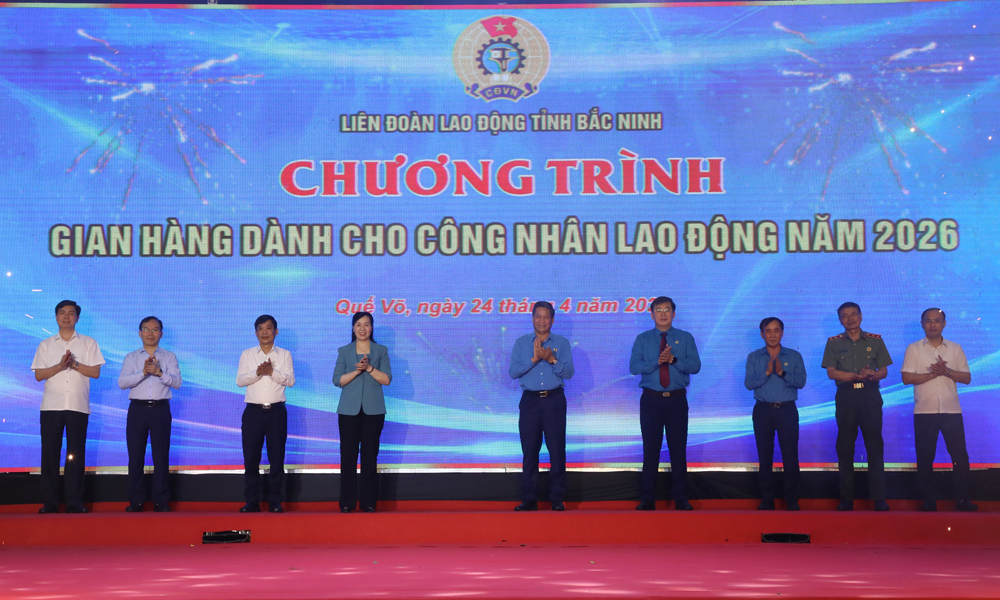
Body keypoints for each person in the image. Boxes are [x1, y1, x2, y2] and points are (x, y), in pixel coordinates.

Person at [30, 300, 105, 514]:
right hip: (51, 407)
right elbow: (38, 375)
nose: (66, 316)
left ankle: (74, 502)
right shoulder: (46, 344)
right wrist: (60, 366)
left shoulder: (89, 343)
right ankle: (50, 503)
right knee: (49, 454)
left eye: (71, 313)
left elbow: (95, 372)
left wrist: (74, 364)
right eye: (62, 313)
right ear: (56, 317)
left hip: (77, 406)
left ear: (77, 318)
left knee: (76, 455)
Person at [900, 308, 977, 512]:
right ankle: (928, 501)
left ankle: (963, 500)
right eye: (928, 321)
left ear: (944, 324)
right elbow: (906, 378)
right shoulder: (913, 349)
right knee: (925, 458)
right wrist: (934, 374)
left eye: (937, 320)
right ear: (922, 324)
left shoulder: (955, 348)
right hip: (924, 412)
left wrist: (946, 371)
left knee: (960, 457)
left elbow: (967, 378)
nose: (933, 324)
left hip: (952, 411)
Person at [630, 296, 701, 511]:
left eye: (667, 309)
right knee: (650, 449)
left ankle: (680, 497)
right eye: (658, 310)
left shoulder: (685, 337)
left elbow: (696, 366)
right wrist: (657, 362)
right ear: (652, 314)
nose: (663, 313)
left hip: (677, 400)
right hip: (651, 400)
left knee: (678, 449)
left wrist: (673, 360)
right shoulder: (643, 339)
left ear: (674, 314)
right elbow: (634, 367)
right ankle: (647, 498)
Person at [821, 302, 892, 512]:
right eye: (845, 315)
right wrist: (854, 375)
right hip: (846, 396)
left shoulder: (875, 340)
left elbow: (884, 371)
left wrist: (871, 375)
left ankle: (879, 499)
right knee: (845, 448)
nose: (850, 318)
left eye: (853, 314)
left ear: (861, 316)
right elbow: (831, 373)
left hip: (870, 395)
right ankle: (846, 499)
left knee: (875, 446)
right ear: (840, 320)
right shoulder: (833, 343)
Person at [508, 301, 575, 511]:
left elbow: (569, 373)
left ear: (552, 320)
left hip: (554, 400)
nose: (542, 321)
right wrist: (534, 359)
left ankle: (556, 498)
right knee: (530, 450)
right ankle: (529, 498)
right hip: (530, 401)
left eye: (546, 317)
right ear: (532, 318)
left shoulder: (562, 343)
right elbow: (513, 372)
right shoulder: (521, 343)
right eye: (538, 316)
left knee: (557, 450)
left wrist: (552, 359)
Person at [118, 316, 182, 512]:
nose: (150, 333)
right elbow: (122, 383)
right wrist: (144, 373)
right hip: (137, 410)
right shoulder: (131, 357)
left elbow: (177, 383)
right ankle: (136, 500)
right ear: (140, 333)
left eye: (155, 330)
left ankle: (161, 500)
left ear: (161, 334)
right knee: (135, 455)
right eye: (146, 329)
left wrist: (159, 372)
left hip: (160, 409)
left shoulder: (169, 357)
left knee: (161, 456)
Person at [333, 311, 393, 513]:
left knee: (369, 456)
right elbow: (337, 380)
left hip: (373, 411)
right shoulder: (344, 351)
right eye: (358, 324)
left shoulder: (381, 351)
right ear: (353, 328)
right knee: (348, 456)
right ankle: (347, 502)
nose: (362, 328)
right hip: (348, 411)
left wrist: (369, 369)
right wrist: (357, 371)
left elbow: (386, 379)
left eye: (366, 324)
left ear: (372, 328)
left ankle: (368, 502)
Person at [744, 317, 807, 511]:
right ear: (762, 334)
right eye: (768, 331)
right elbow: (748, 384)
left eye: (776, 330)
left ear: (782, 333)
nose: (772, 335)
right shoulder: (754, 357)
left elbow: (801, 382)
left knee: (790, 456)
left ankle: (792, 501)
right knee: (765, 457)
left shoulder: (794, 356)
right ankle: (767, 500)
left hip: (787, 410)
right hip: (763, 411)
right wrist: (766, 373)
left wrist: (782, 373)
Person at [236, 315, 295, 513]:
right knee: (251, 458)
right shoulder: (247, 354)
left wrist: (272, 372)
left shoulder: (284, 354)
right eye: (260, 328)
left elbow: (290, 381)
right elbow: (240, 381)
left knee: (276, 459)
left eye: (268, 328)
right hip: (253, 412)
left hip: (276, 412)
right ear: (256, 333)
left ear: (276, 332)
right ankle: (251, 501)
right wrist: (258, 372)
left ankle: (275, 502)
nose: (264, 332)